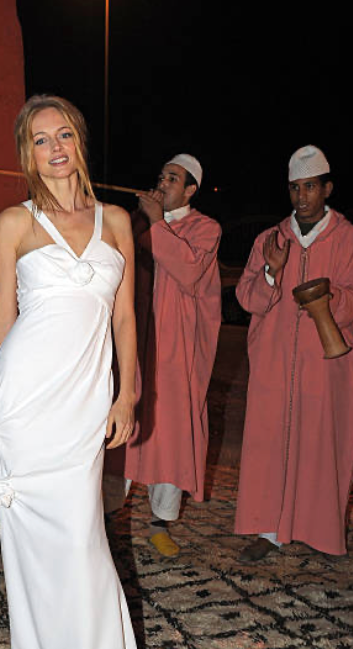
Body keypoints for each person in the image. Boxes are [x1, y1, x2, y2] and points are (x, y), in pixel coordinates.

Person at [0, 95, 154, 649]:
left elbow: (125, 317)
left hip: (84, 400)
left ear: (79, 143)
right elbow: (3, 317)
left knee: (82, 539)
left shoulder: (118, 221)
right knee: (32, 547)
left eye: (64, 135)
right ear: (28, 153)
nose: (55, 148)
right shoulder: (13, 222)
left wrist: (127, 394)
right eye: (41, 139)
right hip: (24, 400)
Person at [235, 145, 353, 561]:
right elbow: (247, 297)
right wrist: (272, 271)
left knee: (321, 445)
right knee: (269, 444)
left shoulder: (346, 238)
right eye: (295, 188)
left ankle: (319, 531)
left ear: (327, 189)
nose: (302, 196)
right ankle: (267, 531)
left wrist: (330, 297)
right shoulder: (271, 239)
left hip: (324, 364)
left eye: (310, 187)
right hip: (273, 361)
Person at [124, 155, 222, 557]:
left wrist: (156, 222)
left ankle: (160, 523)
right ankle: (106, 514)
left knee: (171, 430)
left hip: (176, 349)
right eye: (161, 176)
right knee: (124, 422)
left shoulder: (206, 228)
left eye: (173, 178)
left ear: (190, 190)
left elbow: (189, 270)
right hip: (134, 339)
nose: (163, 183)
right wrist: (142, 221)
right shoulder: (136, 222)